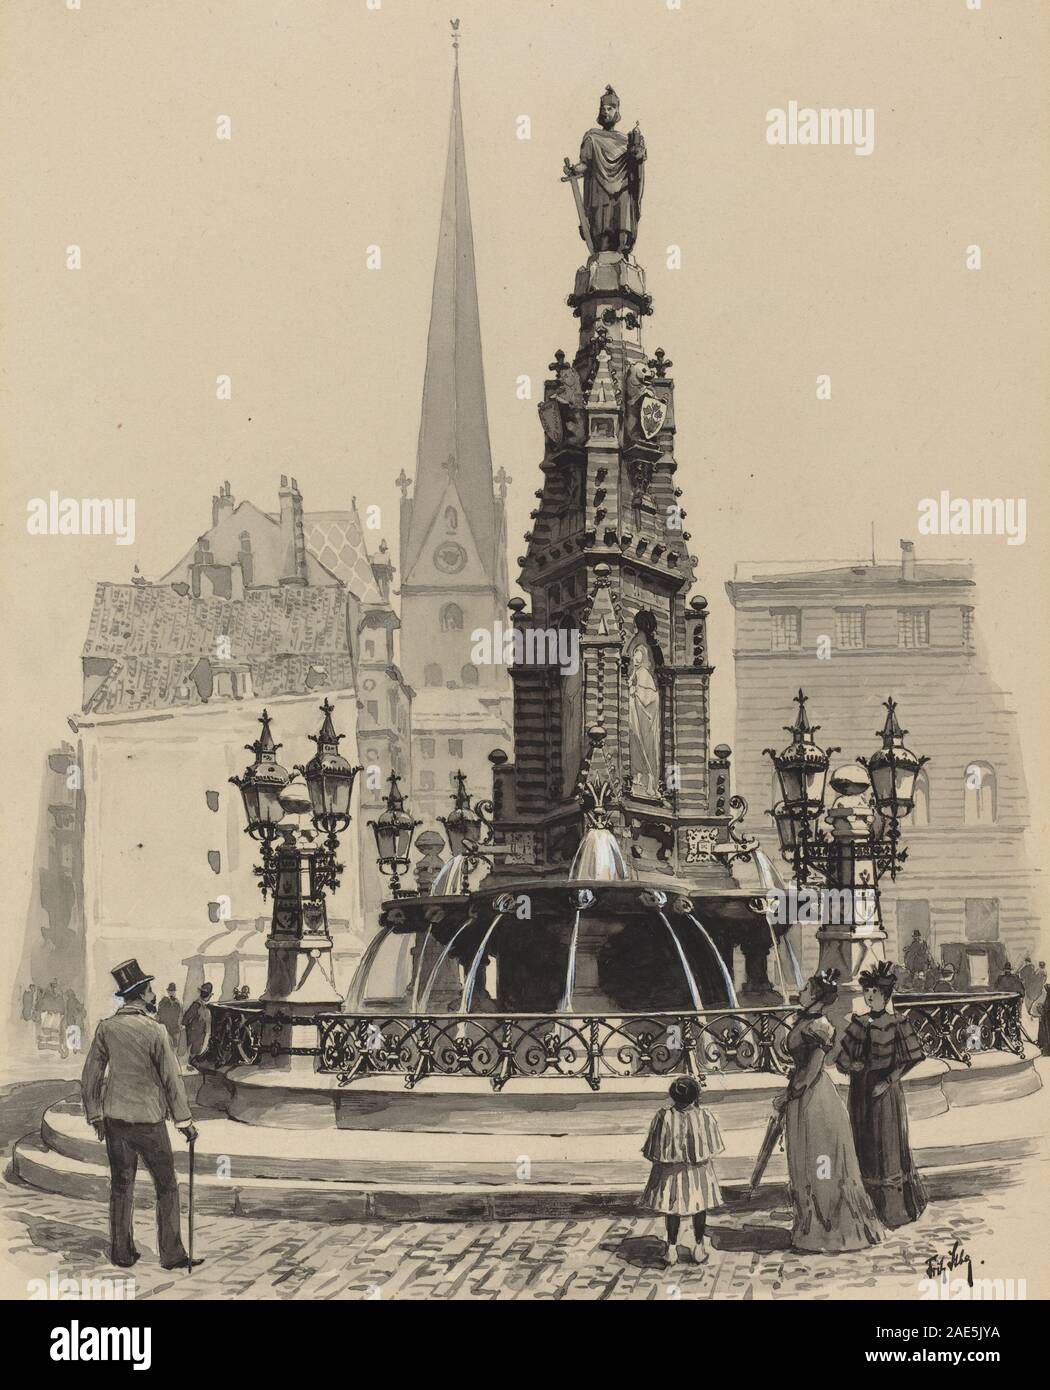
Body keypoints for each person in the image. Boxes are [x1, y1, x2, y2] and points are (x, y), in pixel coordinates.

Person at [81, 958, 203, 1271]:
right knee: (167, 1186)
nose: (153, 994)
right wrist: (184, 1122)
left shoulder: (107, 1028)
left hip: (116, 1121)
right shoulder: (156, 1031)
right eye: (150, 989)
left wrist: (95, 1115)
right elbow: (172, 1080)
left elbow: (91, 1076)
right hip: (149, 1122)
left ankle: (121, 1252)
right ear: (143, 994)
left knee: (122, 1186)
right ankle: (172, 1254)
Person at [776, 969, 883, 1252]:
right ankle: (809, 1228)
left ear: (816, 997)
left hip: (814, 1100)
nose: (800, 993)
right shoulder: (806, 1020)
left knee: (819, 1162)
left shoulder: (820, 1026)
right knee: (804, 1161)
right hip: (803, 1096)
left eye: (805, 990)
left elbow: (812, 1070)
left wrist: (789, 1093)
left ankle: (830, 1231)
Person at [837, 961, 928, 1228]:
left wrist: (888, 1081)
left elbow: (911, 1058)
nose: (869, 996)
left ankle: (893, 1210)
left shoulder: (898, 1023)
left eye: (874, 992)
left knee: (887, 1144)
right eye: (867, 992)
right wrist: (849, 1066)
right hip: (861, 1092)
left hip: (885, 1093)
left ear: (885, 995)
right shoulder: (859, 1023)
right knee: (863, 1143)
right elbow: (842, 1059)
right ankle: (866, 1208)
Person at [640, 1076, 724, 1266]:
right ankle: (698, 1246)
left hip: (671, 1173)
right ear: (696, 1096)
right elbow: (714, 1146)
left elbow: (652, 1150)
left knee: (672, 1210)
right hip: (698, 1172)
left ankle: (671, 1248)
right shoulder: (705, 1116)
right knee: (699, 1209)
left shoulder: (664, 1116)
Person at [183, 981, 214, 1065]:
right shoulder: (196, 1005)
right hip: (195, 1038)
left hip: (202, 1038)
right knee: (193, 1058)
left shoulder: (206, 1007)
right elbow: (185, 1020)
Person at [156, 982, 184, 1056]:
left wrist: (180, 1026)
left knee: (174, 1049)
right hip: (165, 1029)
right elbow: (159, 1015)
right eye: (170, 991)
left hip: (175, 1030)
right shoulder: (163, 1002)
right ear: (168, 992)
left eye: (173, 991)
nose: (171, 993)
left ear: (175, 992)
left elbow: (181, 1017)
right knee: (164, 1049)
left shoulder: (178, 1004)